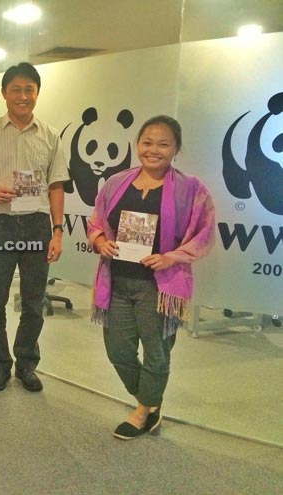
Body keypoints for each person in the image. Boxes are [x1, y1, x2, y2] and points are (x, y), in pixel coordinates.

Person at [87, 115, 215, 440]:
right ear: (137, 144)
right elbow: (96, 222)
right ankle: (152, 402)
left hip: (159, 287)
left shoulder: (191, 190)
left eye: (163, 144)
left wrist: (170, 257)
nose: (153, 150)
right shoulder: (117, 183)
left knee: (156, 352)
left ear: (176, 149)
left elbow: (203, 236)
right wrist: (100, 240)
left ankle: (143, 410)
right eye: (147, 142)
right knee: (118, 350)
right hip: (116, 281)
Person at [0, 62, 69, 393]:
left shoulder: (51, 136)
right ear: (4, 94)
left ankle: (26, 363)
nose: (23, 96)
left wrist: (57, 231)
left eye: (29, 89)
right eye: (16, 89)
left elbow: (56, 186)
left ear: (37, 93)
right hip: (0, 224)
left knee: (33, 300)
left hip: (37, 226)